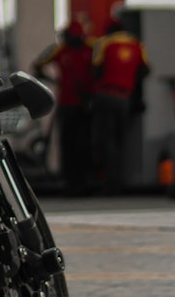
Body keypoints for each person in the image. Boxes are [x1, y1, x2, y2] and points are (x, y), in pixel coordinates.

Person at [33, 18, 94, 193]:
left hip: (78, 104)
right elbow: (38, 65)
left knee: (76, 144)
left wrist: (54, 81)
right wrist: (56, 82)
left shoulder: (66, 50)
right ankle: (74, 182)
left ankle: (77, 181)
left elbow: (38, 65)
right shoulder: (84, 49)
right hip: (73, 104)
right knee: (73, 144)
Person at [91, 14, 150, 193]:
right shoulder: (137, 44)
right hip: (124, 98)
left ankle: (110, 182)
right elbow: (146, 69)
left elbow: (96, 69)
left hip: (105, 96)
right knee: (121, 139)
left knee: (105, 140)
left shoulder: (104, 43)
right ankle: (121, 180)